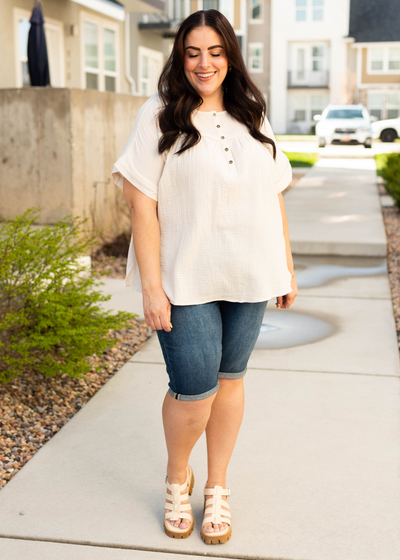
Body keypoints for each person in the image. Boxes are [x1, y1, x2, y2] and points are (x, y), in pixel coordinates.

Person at [111, 8, 297, 545]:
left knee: (232, 381)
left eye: (215, 51)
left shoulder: (252, 113)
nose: (204, 62)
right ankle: (177, 477)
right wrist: (152, 287)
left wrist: (284, 266)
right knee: (195, 390)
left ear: (230, 56)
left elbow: (272, 196)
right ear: (180, 58)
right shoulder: (159, 114)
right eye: (193, 52)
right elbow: (141, 207)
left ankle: (216, 487)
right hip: (183, 277)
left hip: (250, 272)